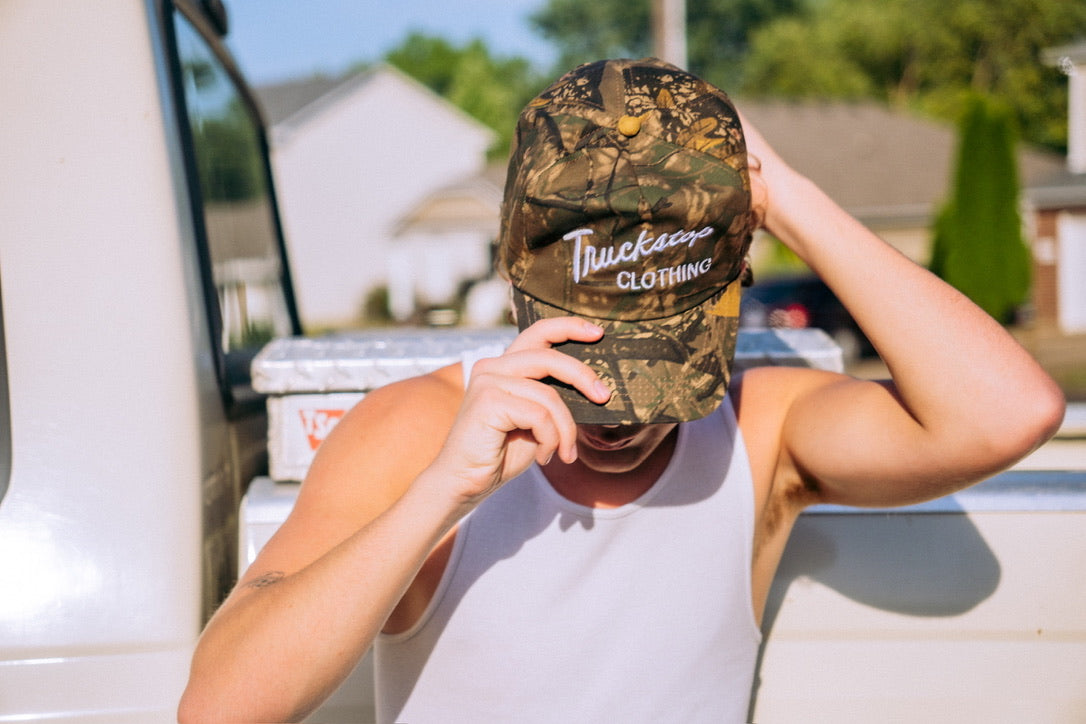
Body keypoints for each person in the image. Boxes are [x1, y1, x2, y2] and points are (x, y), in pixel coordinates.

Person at [178, 58, 1064, 723]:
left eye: (664, 364)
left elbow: (1009, 413)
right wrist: (442, 493)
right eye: (597, 362)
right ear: (515, 279)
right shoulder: (418, 430)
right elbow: (220, 706)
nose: (627, 415)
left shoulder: (760, 429)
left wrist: (783, 196)